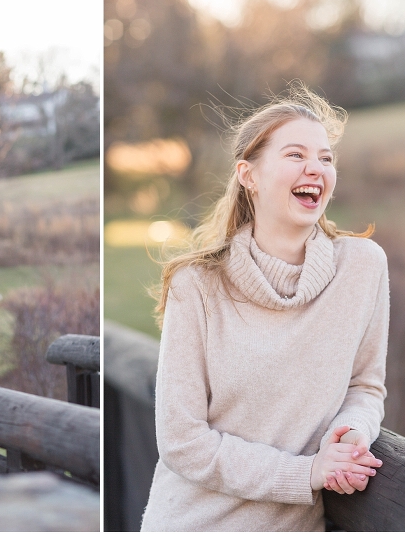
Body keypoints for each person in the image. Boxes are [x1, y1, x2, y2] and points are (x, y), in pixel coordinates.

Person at [140, 83, 388, 531]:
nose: (316, 167)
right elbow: (181, 442)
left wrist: (352, 435)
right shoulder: (196, 285)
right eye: (295, 155)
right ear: (248, 175)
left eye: (326, 158)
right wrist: (306, 473)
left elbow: (365, 387)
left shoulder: (363, 267)